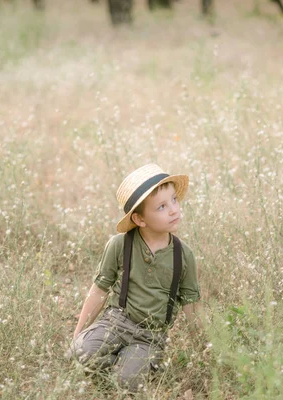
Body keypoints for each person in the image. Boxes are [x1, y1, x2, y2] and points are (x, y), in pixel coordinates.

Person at [68, 164, 202, 393]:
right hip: (116, 321)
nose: (173, 210)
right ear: (140, 219)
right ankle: (117, 366)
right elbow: (99, 291)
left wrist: (202, 348)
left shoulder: (183, 255)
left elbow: (191, 305)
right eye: (161, 206)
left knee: (127, 381)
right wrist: (77, 334)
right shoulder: (120, 244)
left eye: (174, 200)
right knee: (82, 350)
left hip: (150, 335)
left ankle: (130, 368)